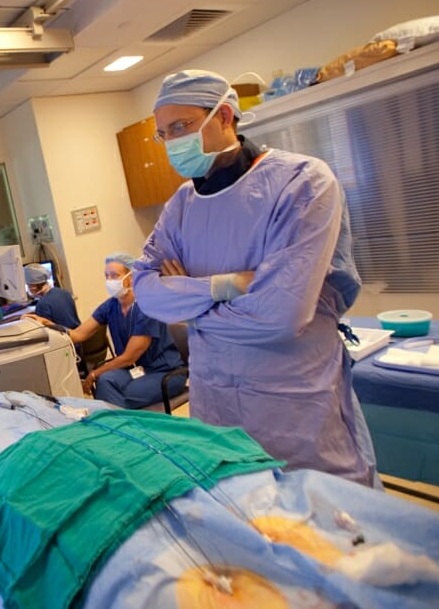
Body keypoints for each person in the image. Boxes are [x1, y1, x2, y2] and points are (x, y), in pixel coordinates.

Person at [130, 68, 377, 487]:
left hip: (293, 404)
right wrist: (230, 286)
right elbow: (146, 293)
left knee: (332, 530)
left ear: (225, 115)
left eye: (181, 126)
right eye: (164, 133)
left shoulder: (301, 182)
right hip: (215, 403)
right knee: (243, 521)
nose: (172, 142)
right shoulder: (181, 206)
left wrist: (191, 308)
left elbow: (280, 316)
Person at [28, 253, 184, 408]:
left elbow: (129, 357)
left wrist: (94, 373)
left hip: (163, 372)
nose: (110, 281)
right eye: (106, 276)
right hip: (136, 370)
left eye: (115, 275)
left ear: (131, 277)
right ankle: (114, 423)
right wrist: (48, 325)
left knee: (120, 392)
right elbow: (78, 334)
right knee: (105, 381)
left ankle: (115, 424)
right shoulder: (111, 306)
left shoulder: (146, 307)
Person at [24, 263, 80, 330]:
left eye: (28, 285)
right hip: (78, 332)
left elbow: (46, 332)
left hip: (66, 338)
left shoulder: (42, 304)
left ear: (33, 287)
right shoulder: (64, 292)